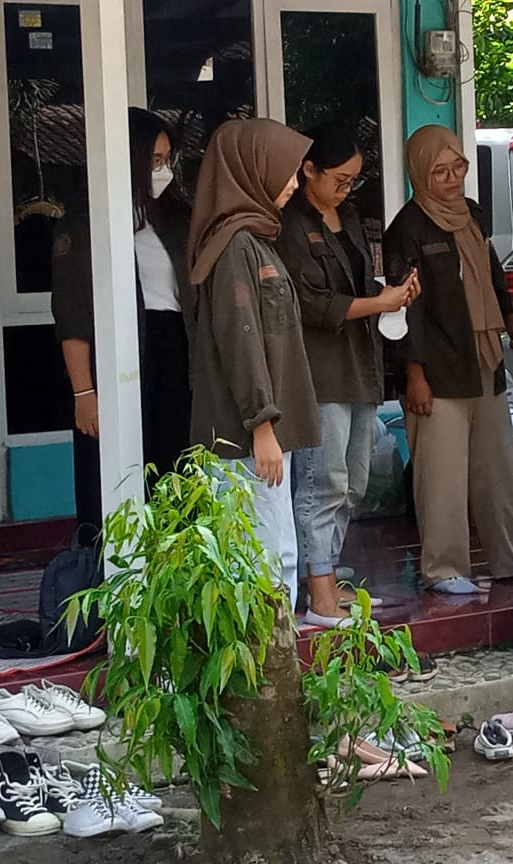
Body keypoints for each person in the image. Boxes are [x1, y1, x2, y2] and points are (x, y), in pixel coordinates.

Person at [277, 125, 420, 627]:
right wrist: (378, 303)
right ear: (308, 170)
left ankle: (327, 574)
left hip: (361, 363)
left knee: (354, 482)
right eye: (339, 179)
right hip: (319, 370)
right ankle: (316, 593)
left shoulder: (351, 217)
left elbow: (360, 286)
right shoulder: (291, 224)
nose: (346, 189)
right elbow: (313, 304)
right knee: (323, 481)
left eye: (353, 181)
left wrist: (393, 293)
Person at [383, 124, 513, 595]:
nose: (451, 179)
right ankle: (444, 570)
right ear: (419, 174)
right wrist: (414, 374)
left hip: (483, 357)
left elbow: (490, 272)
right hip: (437, 367)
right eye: (439, 172)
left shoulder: (472, 214)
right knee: (441, 477)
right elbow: (406, 309)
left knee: (498, 469)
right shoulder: (407, 228)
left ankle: (510, 561)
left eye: (457, 168)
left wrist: (509, 318)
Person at [184, 118, 319, 611]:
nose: (295, 183)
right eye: (286, 170)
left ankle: (273, 653)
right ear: (251, 171)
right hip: (247, 439)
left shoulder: (255, 241)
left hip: (261, 437)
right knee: (261, 562)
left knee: (274, 554)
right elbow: (241, 341)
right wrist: (262, 424)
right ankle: (265, 656)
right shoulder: (235, 247)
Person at [52, 107, 193, 531]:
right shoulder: (87, 222)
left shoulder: (173, 217)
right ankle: (111, 563)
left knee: (173, 469)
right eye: (153, 160)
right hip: (120, 354)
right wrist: (84, 392)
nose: (163, 170)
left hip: (174, 351)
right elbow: (72, 314)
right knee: (115, 472)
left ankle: (172, 563)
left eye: (167, 160)